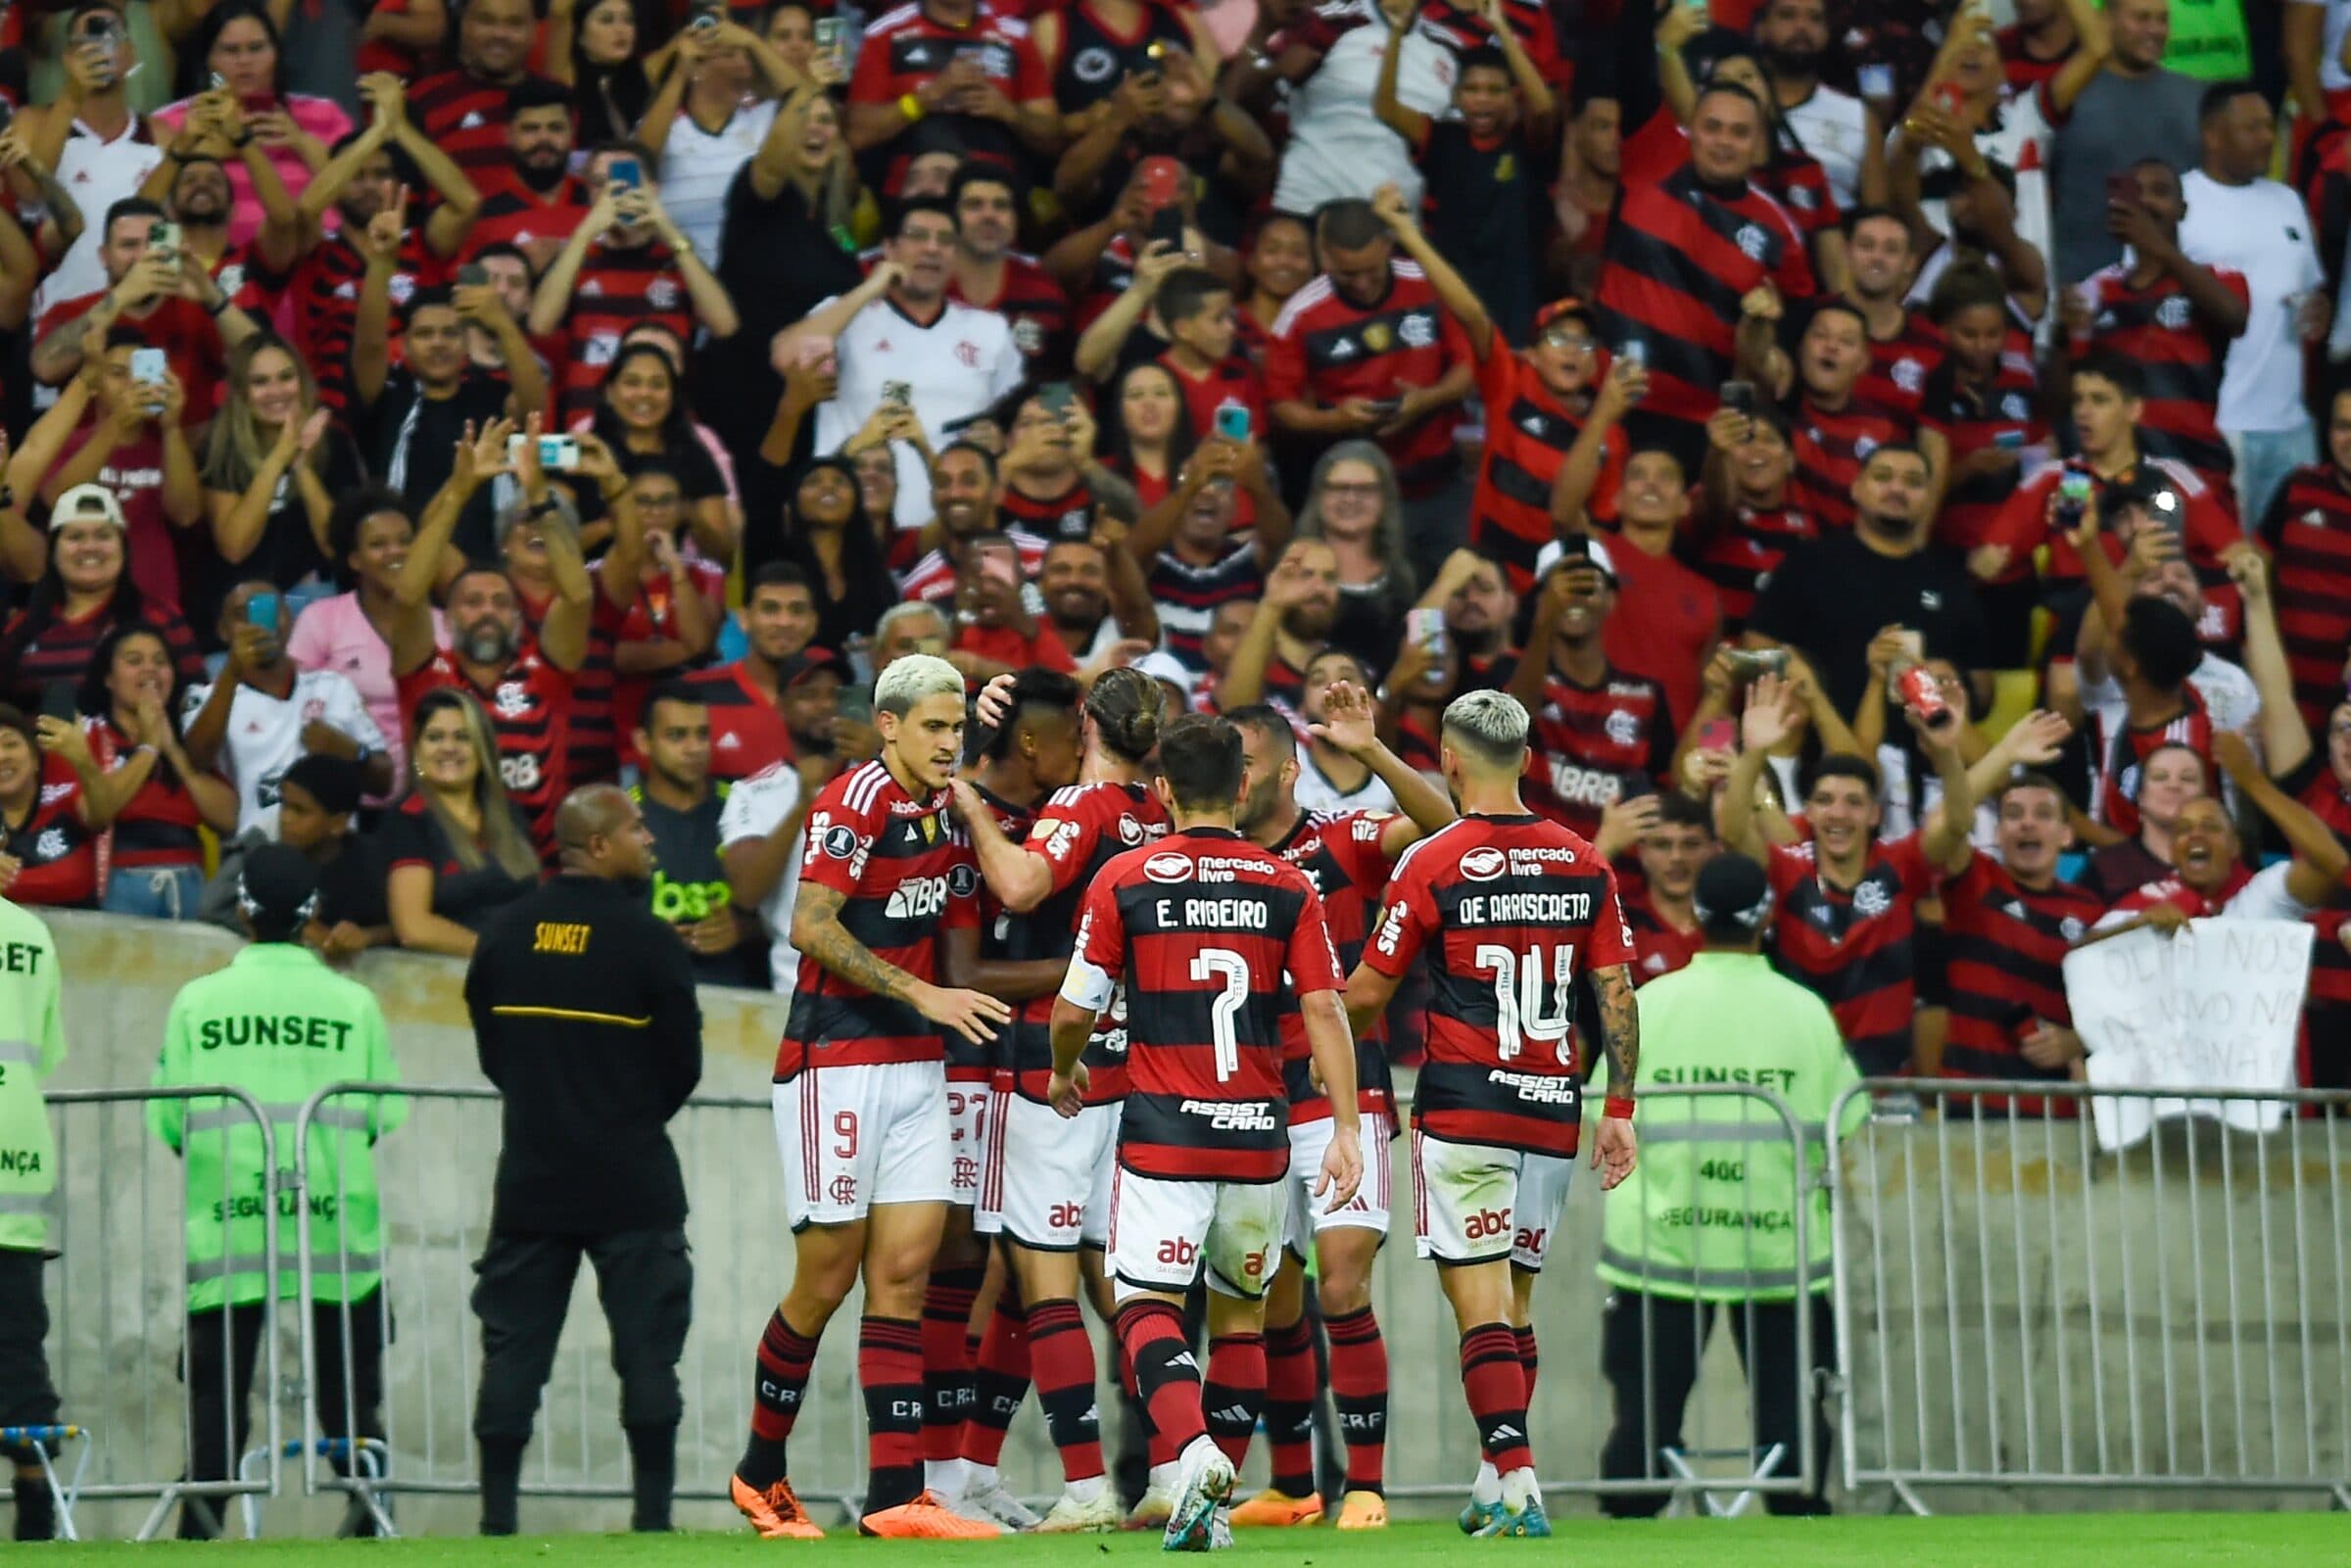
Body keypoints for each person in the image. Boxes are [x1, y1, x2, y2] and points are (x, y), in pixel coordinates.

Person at [1342, 689, 1641, 1539]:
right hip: (1553, 1109)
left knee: (1479, 1307)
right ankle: (1490, 1481)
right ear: (1528, 761)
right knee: (1513, 1305)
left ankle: (1520, 1477)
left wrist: (1292, 1026)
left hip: (1467, 1108)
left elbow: (1367, 994)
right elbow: (1613, 990)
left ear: (1448, 758)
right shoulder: (1584, 860)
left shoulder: (1434, 860)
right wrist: (1616, 1105)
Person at [1058, 713, 1361, 1549]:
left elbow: (1075, 1005)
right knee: (1240, 1318)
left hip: (1164, 1131)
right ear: (1242, 786)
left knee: (1145, 1305)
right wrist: (1343, 1126)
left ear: (1161, 792)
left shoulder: (1125, 875)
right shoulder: (1287, 883)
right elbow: (1326, 1008)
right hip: (1259, 1132)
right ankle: (1211, 1506)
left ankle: (1192, 1456)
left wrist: (1059, 1068)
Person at [729, 654, 1011, 1542]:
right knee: (828, 1277)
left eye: (957, 726)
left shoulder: (951, 811)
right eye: (932, 725)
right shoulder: (853, 802)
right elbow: (808, 923)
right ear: (889, 726)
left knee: (903, 1276)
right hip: (833, 1062)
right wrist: (922, 993)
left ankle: (896, 1496)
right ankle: (758, 1471)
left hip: (919, 1067)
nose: (947, 741)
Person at [1225, 690, 1455, 1531]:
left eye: (1247, 761)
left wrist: (1379, 754)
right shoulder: (1214, 857)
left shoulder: (1343, 837)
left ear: (1286, 770)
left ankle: (1367, 1484)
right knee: (1271, 1293)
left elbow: (1445, 825)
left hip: (1341, 1090)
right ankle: (1292, 1485)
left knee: (1343, 1279)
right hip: (1249, 1094)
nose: (1235, 778)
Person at [945, 666, 1168, 1530]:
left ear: (1084, 724)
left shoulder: (1083, 806)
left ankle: (1085, 1482)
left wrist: (967, 802)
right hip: (1131, 1061)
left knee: (1043, 1276)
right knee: (1097, 1278)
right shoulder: (1158, 814)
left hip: (1055, 1065)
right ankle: (1165, 1462)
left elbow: (1024, 886)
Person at [463, 784, 702, 1537]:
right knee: (648, 1357)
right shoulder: (650, 939)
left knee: (512, 1354)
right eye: (637, 828)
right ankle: (653, 1522)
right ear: (598, 844)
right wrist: (620, 1115)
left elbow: (492, 1048)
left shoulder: (504, 932)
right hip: (634, 1179)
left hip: (532, 1177)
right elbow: (682, 1066)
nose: (651, 840)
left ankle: (497, 1524)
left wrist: (548, 1108)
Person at [1593, 851, 1860, 1517]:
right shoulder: (1805, 1013)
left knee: (1643, 1432)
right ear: (1767, 916)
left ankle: (1629, 1533)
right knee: (1793, 1436)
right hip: (1776, 1251)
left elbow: (1598, 1108)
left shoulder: (1650, 1004)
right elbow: (1847, 1119)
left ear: (1696, 916)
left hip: (1662, 1248)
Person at [149, 842, 404, 1540]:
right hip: (333, 1229)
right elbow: (381, 1116)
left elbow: (170, 1120)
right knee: (350, 1401)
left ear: (243, 911)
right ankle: (369, 1520)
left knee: (216, 1398)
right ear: (314, 912)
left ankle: (201, 1525)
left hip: (229, 1228)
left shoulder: (197, 1002)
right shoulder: (354, 1003)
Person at [1721, 672, 1976, 1073]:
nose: (1838, 813)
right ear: (1807, 812)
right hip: (1799, 1073)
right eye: (1824, 801)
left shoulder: (1901, 864)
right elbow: (1734, 832)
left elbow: (1959, 824)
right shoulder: (1790, 867)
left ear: (1875, 814)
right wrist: (1754, 753)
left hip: (1885, 1082)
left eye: (1853, 802)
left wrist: (1946, 754)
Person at [792, 197, 1027, 530]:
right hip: (851, 528)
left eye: (946, 240)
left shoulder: (990, 330)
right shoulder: (845, 316)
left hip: (950, 532)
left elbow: (1017, 424)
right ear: (888, 248)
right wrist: (871, 287)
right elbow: (785, 355)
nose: (932, 249)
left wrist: (999, 437)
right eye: (917, 236)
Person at [2178, 82, 2329, 526]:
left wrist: (2318, 309)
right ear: (2213, 135)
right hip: (2222, 421)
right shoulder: (2181, 201)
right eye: (2252, 128)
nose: (2267, 137)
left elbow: (2312, 289)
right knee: (2229, 559)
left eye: (2268, 126)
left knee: (2296, 555)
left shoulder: (2287, 201)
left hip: (2292, 423)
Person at [180, 581, 391, 837]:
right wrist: (233, 671)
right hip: (257, 856)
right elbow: (196, 761)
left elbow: (384, 783)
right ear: (223, 632)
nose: (257, 624)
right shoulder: (205, 698)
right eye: (241, 615)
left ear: (289, 620)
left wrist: (355, 753)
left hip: (335, 858)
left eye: (268, 611)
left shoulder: (334, 687)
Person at [77, 623, 239, 919]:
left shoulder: (190, 743)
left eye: (160, 661)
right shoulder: (87, 738)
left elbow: (227, 818)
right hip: (119, 884)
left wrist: (173, 751)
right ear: (108, 678)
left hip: (191, 885)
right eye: (134, 661)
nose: (150, 670)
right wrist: (148, 749)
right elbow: (95, 813)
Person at [0, 891, 67, 1542]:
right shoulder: (32, 933)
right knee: (19, 1356)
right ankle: (37, 1522)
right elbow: (43, 1051)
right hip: (14, 1167)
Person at [383, 688, 542, 957]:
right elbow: (414, 928)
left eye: (463, 737)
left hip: (524, 968)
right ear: (417, 753)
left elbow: (536, 899)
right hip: (449, 978)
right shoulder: (407, 821)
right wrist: (501, 953)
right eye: (435, 737)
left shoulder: (511, 813)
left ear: (483, 750)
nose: (449, 747)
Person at [632, 683, 757, 987]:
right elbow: (593, 921)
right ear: (643, 742)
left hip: (739, 999)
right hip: (646, 996)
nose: (694, 748)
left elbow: (789, 915)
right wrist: (646, 938)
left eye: (702, 734)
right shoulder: (621, 818)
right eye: (676, 736)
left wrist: (744, 930)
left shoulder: (746, 810)